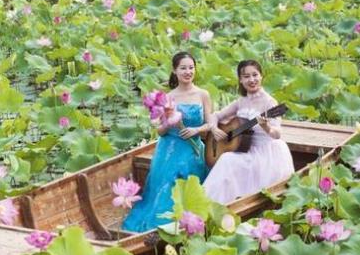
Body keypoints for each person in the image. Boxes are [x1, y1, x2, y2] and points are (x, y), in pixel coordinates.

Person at [122, 52, 213, 232]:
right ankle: (165, 225)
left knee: (193, 182)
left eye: (191, 68)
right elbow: (161, 131)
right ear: (174, 71)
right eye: (183, 68)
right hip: (170, 146)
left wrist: (196, 130)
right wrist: (168, 119)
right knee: (170, 179)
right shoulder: (168, 97)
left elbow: (210, 123)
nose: (188, 72)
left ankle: (193, 221)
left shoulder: (203, 94)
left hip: (194, 146)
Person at [203, 59, 294, 204]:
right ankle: (211, 204)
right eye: (246, 76)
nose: (252, 80)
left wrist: (267, 127)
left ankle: (216, 204)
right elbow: (215, 115)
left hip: (266, 153)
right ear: (240, 79)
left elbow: (277, 134)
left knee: (226, 160)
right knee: (226, 159)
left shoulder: (270, 103)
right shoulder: (241, 101)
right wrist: (214, 128)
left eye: (255, 75)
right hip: (246, 149)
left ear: (261, 76)